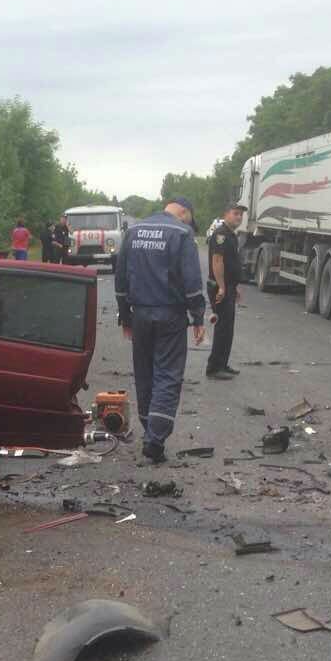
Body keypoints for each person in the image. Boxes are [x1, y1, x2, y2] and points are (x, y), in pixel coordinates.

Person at [113, 196, 205, 463]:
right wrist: (198, 316)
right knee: (167, 375)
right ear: (184, 212)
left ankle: (149, 431)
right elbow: (191, 281)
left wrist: (125, 317)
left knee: (144, 374)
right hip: (170, 315)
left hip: (140, 314)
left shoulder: (133, 231)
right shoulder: (181, 233)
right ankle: (155, 439)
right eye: (190, 218)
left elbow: (120, 276)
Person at [205, 203, 247, 380]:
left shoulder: (231, 235)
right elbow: (217, 262)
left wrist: (234, 286)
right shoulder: (221, 234)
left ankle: (223, 363)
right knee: (222, 328)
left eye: (241, 215)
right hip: (219, 286)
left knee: (228, 328)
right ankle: (214, 368)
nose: (238, 217)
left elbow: (231, 263)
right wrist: (222, 286)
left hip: (228, 286)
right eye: (235, 214)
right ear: (226, 214)